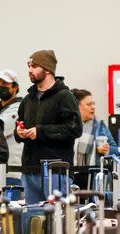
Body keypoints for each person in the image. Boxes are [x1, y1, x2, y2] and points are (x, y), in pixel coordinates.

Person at [15, 50, 82, 204]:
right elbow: (20, 123)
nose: (29, 70)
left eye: (34, 66)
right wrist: (19, 132)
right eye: (29, 66)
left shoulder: (65, 96)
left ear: (47, 69)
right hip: (30, 170)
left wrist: (41, 131)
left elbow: (74, 128)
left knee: (58, 221)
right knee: (33, 220)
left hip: (55, 171)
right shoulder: (27, 100)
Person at [71, 88, 118, 167]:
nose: (93, 107)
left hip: (95, 175)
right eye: (89, 104)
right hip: (73, 173)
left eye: (93, 104)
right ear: (77, 106)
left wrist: (107, 150)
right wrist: (95, 147)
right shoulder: (68, 126)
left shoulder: (100, 126)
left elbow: (116, 151)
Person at [0, 69, 24, 168]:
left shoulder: (21, 108)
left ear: (15, 87)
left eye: (4, 84)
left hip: (13, 165)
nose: (0, 87)